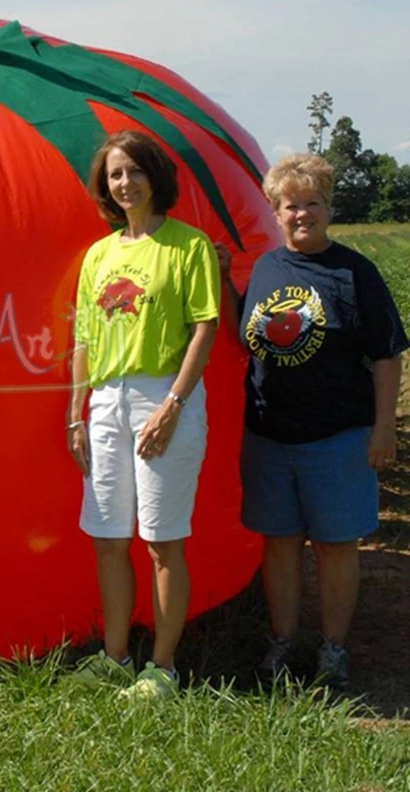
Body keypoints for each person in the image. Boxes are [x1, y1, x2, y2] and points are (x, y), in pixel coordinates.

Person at [217, 153, 406, 689]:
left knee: (335, 545)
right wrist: (217, 277)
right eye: (291, 205)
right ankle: (281, 643)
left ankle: (333, 650)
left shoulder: (355, 273)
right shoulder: (267, 269)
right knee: (278, 542)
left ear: (329, 208)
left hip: (338, 437)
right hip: (269, 435)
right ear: (276, 212)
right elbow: (240, 338)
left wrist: (383, 428)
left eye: (313, 203)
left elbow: (388, 354)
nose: (302, 214)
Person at [66, 130, 220, 699]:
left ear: (154, 175)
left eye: (133, 171)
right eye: (114, 175)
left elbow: (205, 326)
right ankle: (114, 658)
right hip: (105, 402)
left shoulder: (189, 246)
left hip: (164, 397)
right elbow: (83, 337)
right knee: (108, 537)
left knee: (161, 540)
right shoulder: (98, 255)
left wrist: (173, 405)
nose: (124, 183)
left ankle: (163, 667)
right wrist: (74, 413)